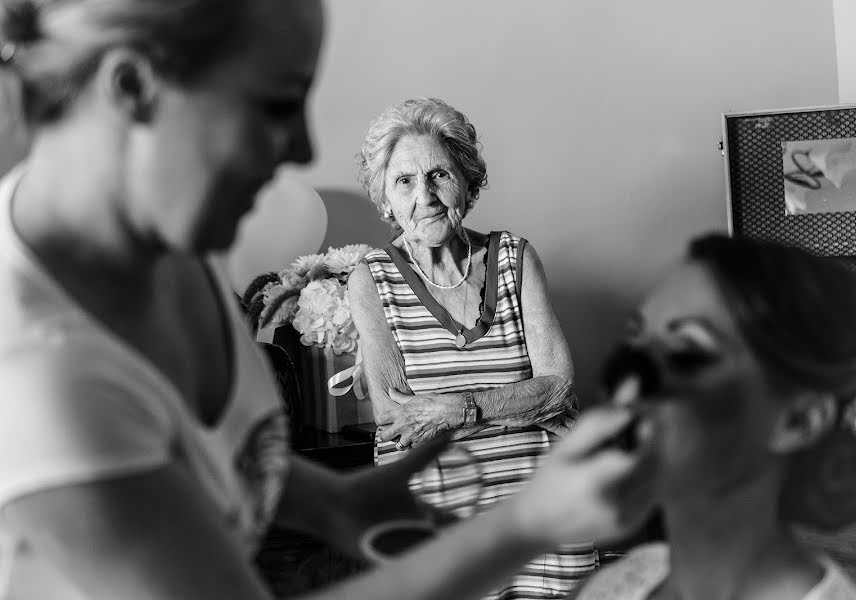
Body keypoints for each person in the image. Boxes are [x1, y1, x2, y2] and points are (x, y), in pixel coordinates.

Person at [0, 1, 658, 598]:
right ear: (133, 86)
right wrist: (526, 526)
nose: (305, 149)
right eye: (278, 105)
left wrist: (336, 504)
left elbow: (225, 458)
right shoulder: (39, 369)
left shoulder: (173, 245)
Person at [348, 97, 597, 599]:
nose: (427, 195)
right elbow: (395, 417)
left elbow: (559, 386)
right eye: (405, 181)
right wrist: (518, 404)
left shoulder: (515, 259)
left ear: (467, 179)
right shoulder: (371, 280)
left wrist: (457, 410)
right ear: (386, 199)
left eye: (439, 174)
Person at [575, 233, 856, 600]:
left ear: (798, 420)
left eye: (686, 350)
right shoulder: (622, 581)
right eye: (635, 341)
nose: (627, 385)